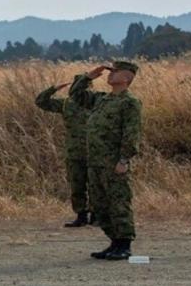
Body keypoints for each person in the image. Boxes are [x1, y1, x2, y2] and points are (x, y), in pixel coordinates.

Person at [69, 61, 142, 261]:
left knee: (118, 203)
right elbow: (76, 95)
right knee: (100, 206)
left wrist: (124, 159)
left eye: (115, 72)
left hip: (113, 163)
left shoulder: (129, 102)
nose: (110, 75)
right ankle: (114, 243)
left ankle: (124, 244)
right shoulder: (102, 100)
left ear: (126, 78)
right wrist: (88, 77)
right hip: (95, 162)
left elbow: (131, 134)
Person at [35, 75, 94, 227]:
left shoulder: (98, 102)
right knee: (77, 185)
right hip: (74, 151)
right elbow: (41, 101)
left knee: (97, 185)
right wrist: (54, 88)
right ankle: (81, 216)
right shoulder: (67, 104)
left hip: (96, 150)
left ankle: (97, 215)